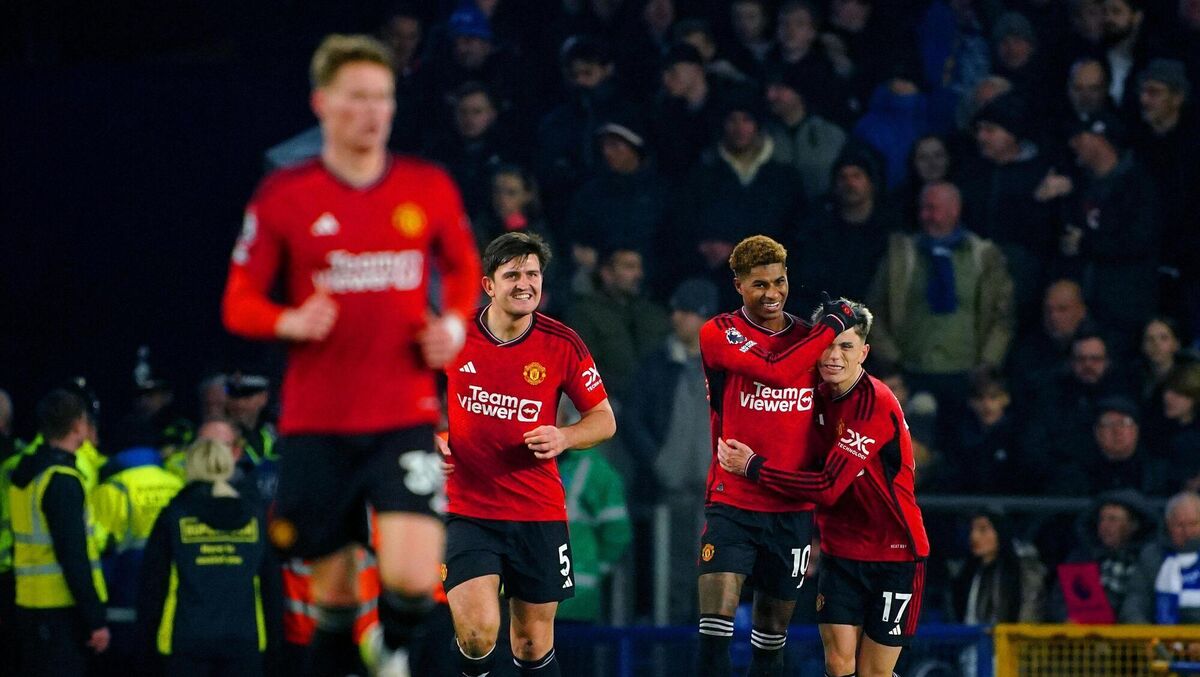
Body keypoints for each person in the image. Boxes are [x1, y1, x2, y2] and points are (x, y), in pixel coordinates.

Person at [220, 34, 482, 677]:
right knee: (332, 599)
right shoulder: (286, 195)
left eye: (384, 98)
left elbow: (464, 264)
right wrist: (288, 318)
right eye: (358, 97)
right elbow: (238, 300)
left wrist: (452, 323)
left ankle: (390, 650)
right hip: (318, 421)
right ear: (324, 104)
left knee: (416, 577)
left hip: (402, 413)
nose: (373, 112)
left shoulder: (427, 187)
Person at [717, 299, 929, 677]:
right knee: (837, 664)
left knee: (873, 673)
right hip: (840, 551)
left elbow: (829, 487)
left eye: (846, 346)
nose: (834, 355)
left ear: (864, 352)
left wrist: (752, 466)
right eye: (827, 345)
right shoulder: (811, 395)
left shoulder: (873, 404)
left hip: (894, 551)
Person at [437, 232, 616, 677]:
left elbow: (604, 419)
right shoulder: (454, 333)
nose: (525, 284)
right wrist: (432, 438)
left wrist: (564, 437)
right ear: (489, 285)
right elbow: (406, 392)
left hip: (537, 511)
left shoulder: (563, 343)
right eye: (512, 274)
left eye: (532, 274)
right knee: (478, 633)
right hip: (467, 509)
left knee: (532, 643)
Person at [693, 235, 860, 677]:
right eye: (760, 284)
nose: (772, 294)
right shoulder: (719, 331)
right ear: (738, 286)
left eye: (780, 282)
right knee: (715, 635)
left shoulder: (808, 338)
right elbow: (777, 371)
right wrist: (830, 326)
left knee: (771, 642)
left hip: (791, 510)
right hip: (733, 502)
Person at [138, 438, 282, 676]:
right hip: (245, 641)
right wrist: (276, 649)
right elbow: (271, 587)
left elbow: (153, 587)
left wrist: (144, 650)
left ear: (190, 467)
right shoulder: (255, 518)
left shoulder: (174, 517)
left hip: (185, 641)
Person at [622, 278, 720, 624]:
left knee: (715, 579)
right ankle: (673, 656)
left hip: (717, 496)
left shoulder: (725, 368)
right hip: (668, 494)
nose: (678, 317)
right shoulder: (656, 364)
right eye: (677, 310)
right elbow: (632, 419)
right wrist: (658, 463)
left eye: (688, 311)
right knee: (672, 578)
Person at [10, 388, 109, 676]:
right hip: (62, 608)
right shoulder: (61, 480)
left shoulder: (27, 472)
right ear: (78, 425)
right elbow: (73, 554)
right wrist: (95, 619)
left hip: (29, 603)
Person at [89, 427, 184, 671]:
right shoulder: (178, 484)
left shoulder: (112, 488)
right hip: (171, 607)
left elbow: (97, 553)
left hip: (123, 608)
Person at [948, 509, 1045, 623]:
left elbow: (1030, 611)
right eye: (971, 530)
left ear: (1000, 532)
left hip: (1006, 638)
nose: (974, 537)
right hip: (969, 637)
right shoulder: (967, 573)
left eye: (983, 530)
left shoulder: (1021, 571)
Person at [1153, 492, 1200, 623]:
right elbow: (1136, 602)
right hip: (1162, 639)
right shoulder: (1153, 556)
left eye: (1193, 524)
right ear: (1168, 526)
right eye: (1180, 525)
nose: (1188, 532)